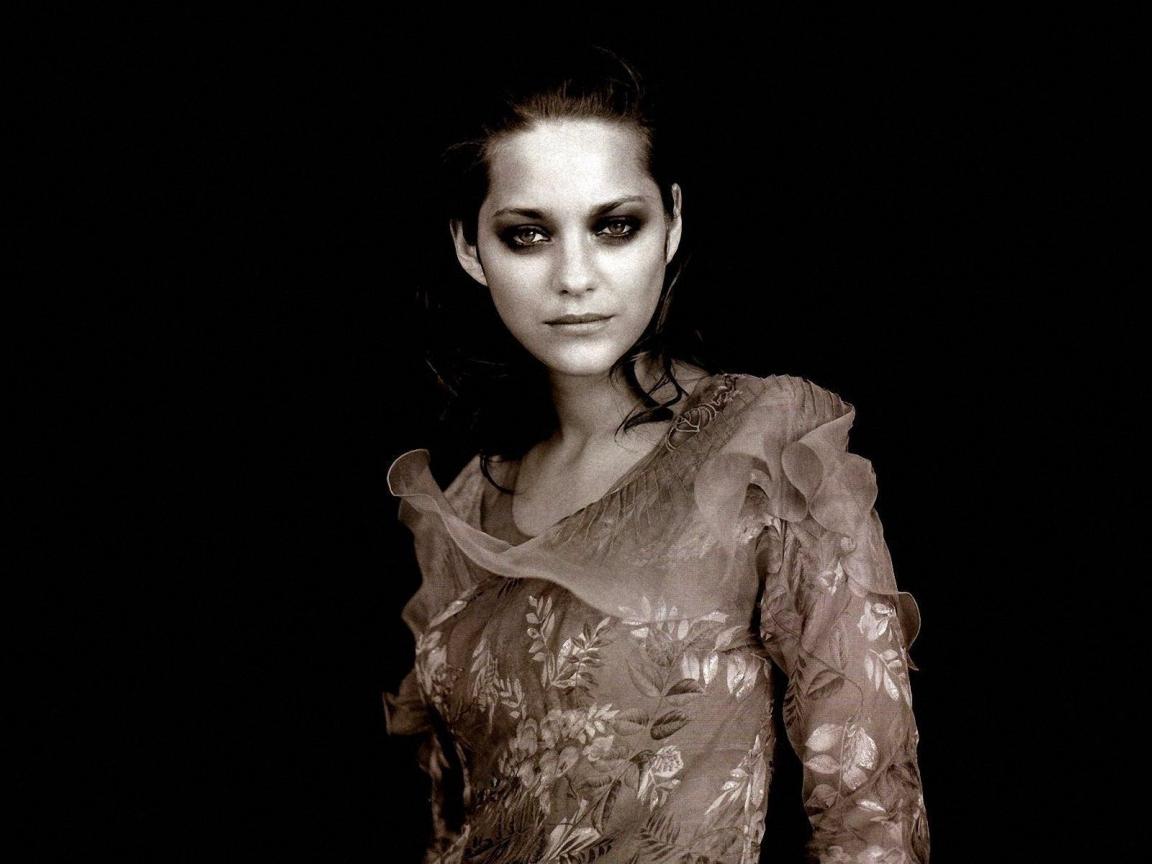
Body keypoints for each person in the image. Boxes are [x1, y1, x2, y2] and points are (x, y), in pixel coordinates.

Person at [382, 44, 929, 864]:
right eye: (527, 235)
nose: (575, 277)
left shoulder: (764, 443)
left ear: (671, 222)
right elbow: (449, 824)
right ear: (470, 248)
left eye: (615, 226)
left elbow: (871, 816)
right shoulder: (464, 504)